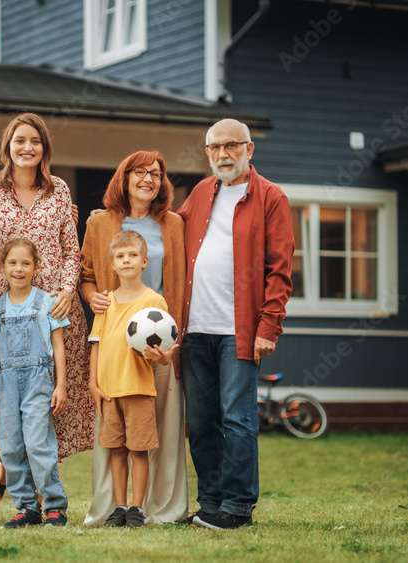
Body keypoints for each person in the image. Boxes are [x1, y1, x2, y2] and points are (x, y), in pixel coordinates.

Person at [0, 113, 93, 522]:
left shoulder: (59, 190)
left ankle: (33, 494)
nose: (28, 148)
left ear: (45, 148)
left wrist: (64, 291)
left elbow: (69, 248)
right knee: (13, 407)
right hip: (8, 317)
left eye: (36, 141)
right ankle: (19, 488)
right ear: (7, 145)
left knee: (48, 406)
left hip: (56, 314)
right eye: (20, 140)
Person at [177, 118, 294, 530]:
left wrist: (269, 327)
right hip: (194, 329)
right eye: (214, 148)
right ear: (207, 152)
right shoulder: (200, 193)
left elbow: (280, 271)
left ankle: (239, 506)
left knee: (238, 419)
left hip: (239, 331)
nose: (223, 154)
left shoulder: (270, 198)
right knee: (202, 422)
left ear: (249, 149)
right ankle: (211, 503)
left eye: (231, 146)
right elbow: (168, 233)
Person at [79, 151, 187, 526]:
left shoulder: (173, 224)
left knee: (158, 433)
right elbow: (87, 273)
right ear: (123, 178)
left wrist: (170, 349)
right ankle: (115, 507)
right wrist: (90, 293)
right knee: (116, 439)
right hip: (115, 348)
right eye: (139, 172)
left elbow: (181, 280)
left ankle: (157, 507)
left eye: (155, 173)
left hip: (158, 343)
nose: (148, 179)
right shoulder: (100, 223)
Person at [88, 231, 177, 528]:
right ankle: (119, 507)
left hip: (138, 389)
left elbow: (163, 352)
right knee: (116, 450)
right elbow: (97, 343)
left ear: (144, 261)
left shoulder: (154, 302)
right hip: (110, 391)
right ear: (112, 264)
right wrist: (92, 383)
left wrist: (162, 358)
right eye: (120, 256)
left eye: (132, 255)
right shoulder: (105, 302)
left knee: (139, 450)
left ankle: (137, 507)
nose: (126, 260)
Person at [0, 238, 70, 528]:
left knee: (37, 443)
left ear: (36, 267)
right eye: (12, 263)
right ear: (3, 267)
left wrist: (61, 386)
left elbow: (58, 346)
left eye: (25, 263)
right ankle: (27, 508)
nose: (18, 269)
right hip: (5, 385)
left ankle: (55, 506)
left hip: (37, 381)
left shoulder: (46, 302)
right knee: (10, 447)